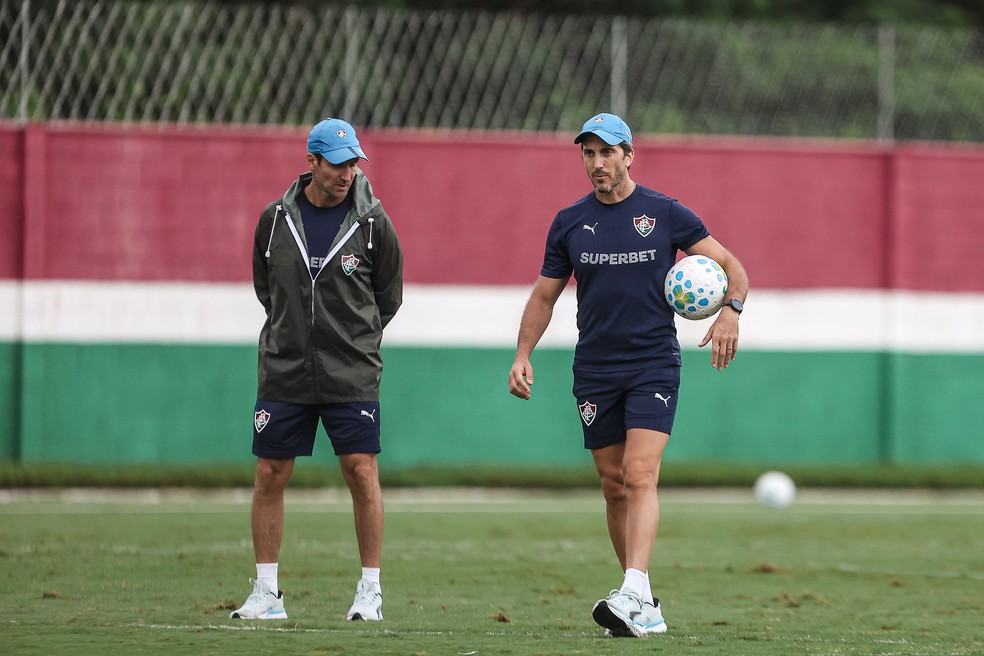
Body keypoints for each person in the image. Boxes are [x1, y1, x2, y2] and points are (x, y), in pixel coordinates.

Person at [507, 113, 748, 637]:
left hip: (652, 365)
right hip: (593, 369)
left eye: (607, 153)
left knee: (640, 474)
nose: (597, 163)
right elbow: (545, 294)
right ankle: (644, 604)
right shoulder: (569, 222)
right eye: (588, 154)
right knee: (613, 485)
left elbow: (733, 266)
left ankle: (634, 589)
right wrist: (523, 353)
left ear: (628, 155)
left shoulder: (665, 213)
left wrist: (731, 310)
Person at [230, 118, 404, 622]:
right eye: (338, 163)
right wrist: (293, 334)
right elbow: (268, 290)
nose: (348, 172)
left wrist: (354, 339)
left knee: (360, 472)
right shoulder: (274, 220)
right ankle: (267, 593)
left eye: (354, 163)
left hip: (351, 372)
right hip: (285, 369)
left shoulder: (374, 223)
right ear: (312, 163)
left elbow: (387, 297)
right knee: (270, 473)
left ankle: (369, 591)